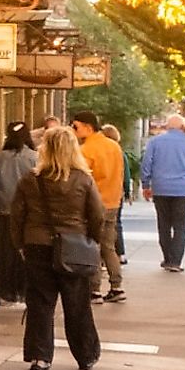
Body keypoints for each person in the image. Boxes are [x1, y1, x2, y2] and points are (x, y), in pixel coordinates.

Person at [12, 126, 106, 370]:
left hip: (37, 245)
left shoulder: (30, 180)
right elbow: (97, 215)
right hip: (74, 246)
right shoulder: (83, 180)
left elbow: (17, 215)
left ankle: (40, 356)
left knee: (40, 303)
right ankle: (86, 354)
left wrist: (20, 244)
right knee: (77, 303)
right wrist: (93, 241)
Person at [141, 113, 185, 272]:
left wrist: (146, 185)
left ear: (167, 127)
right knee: (180, 226)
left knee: (164, 224)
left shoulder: (155, 143)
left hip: (160, 188)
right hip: (183, 189)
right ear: (183, 127)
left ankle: (167, 258)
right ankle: (175, 261)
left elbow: (146, 164)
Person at [72, 109, 127, 303]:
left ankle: (94, 289)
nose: (74, 130)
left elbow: (83, 179)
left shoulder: (86, 150)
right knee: (108, 246)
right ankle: (116, 285)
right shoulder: (114, 146)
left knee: (93, 246)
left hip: (94, 203)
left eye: (76, 126)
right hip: (113, 201)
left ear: (88, 127)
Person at [0, 122, 34, 307]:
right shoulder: (35, 158)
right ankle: (26, 290)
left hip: (5, 212)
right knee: (26, 254)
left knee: (2, 253)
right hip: (29, 215)